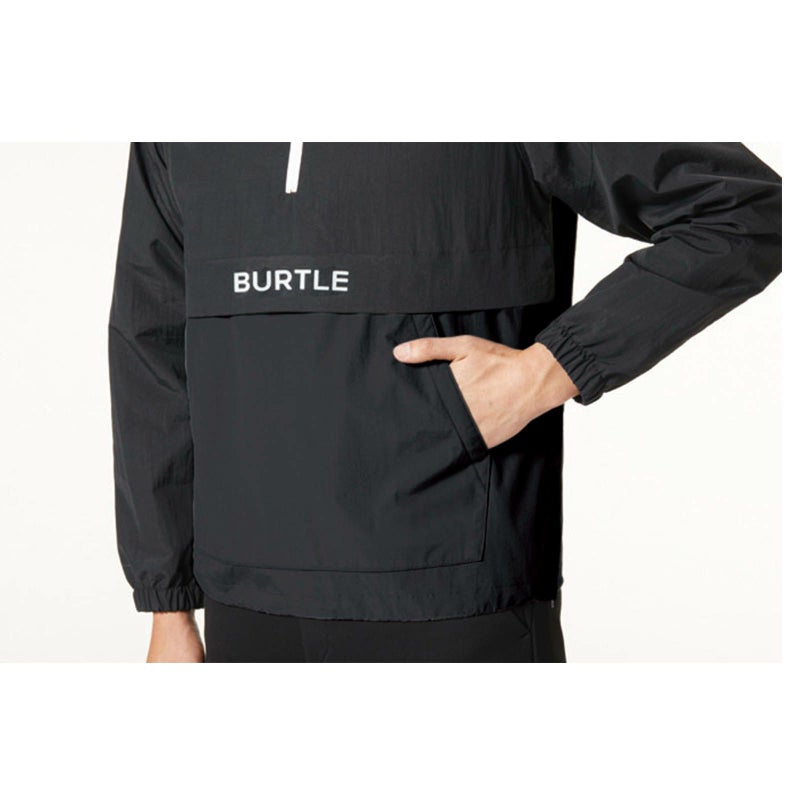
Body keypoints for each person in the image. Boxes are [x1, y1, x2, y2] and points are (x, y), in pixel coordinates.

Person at [107, 142, 781, 662]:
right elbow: (150, 343)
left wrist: (550, 369)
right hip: (244, 603)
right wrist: (169, 608)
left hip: (456, 596)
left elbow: (743, 210)